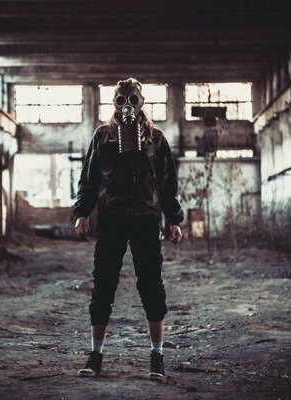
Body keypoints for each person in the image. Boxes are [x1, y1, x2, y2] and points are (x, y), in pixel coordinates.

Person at [73, 78, 184, 381]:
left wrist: (173, 219)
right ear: (113, 103)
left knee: (151, 286)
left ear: (141, 102)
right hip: (111, 219)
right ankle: (95, 355)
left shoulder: (156, 140)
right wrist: (82, 212)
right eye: (121, 101)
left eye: (132, 100)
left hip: (146, 220)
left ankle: (157, 357)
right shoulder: (102, 138)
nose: (126, 107)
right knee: (103, 285)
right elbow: (89, 179)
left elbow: (167, 184)